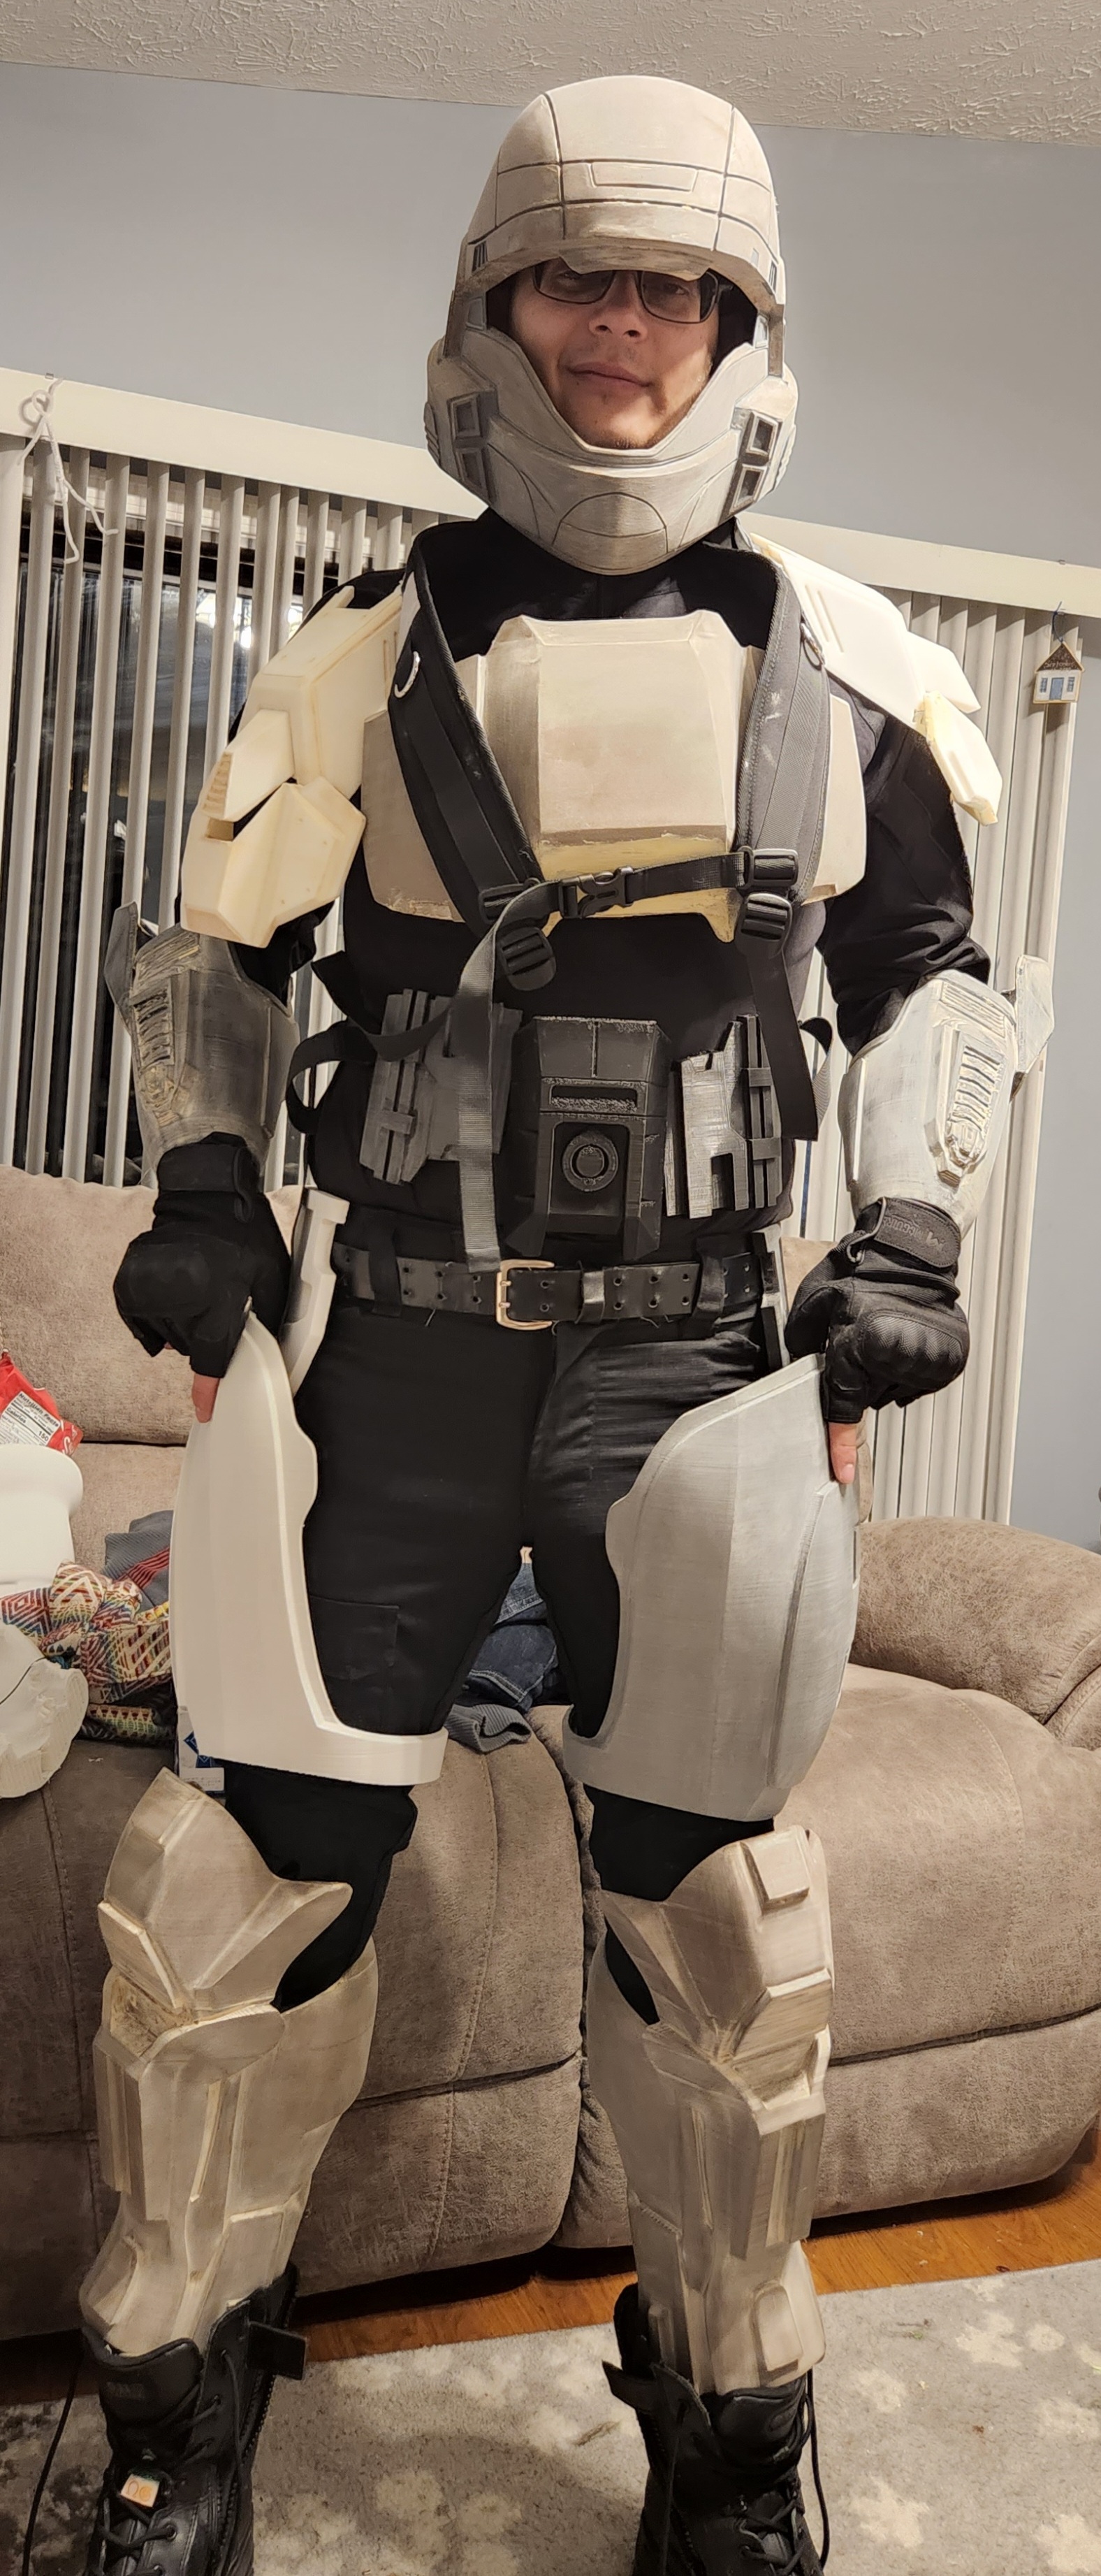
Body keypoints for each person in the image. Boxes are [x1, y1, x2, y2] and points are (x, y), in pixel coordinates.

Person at [77, 74, 1044, 2576]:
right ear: (494, 308)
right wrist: (204, 1187)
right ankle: (179, 2395)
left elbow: (934, 985)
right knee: (238, 1886)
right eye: (579, 276)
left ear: (742, 330)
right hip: (395, 1354)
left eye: (677, 287)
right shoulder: (356, 654)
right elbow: (211, 958)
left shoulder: (848, 669)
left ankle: (729, 2428)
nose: (627, 328)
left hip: (694, 1374)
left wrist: (910, 1227)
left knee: (722, 1924)